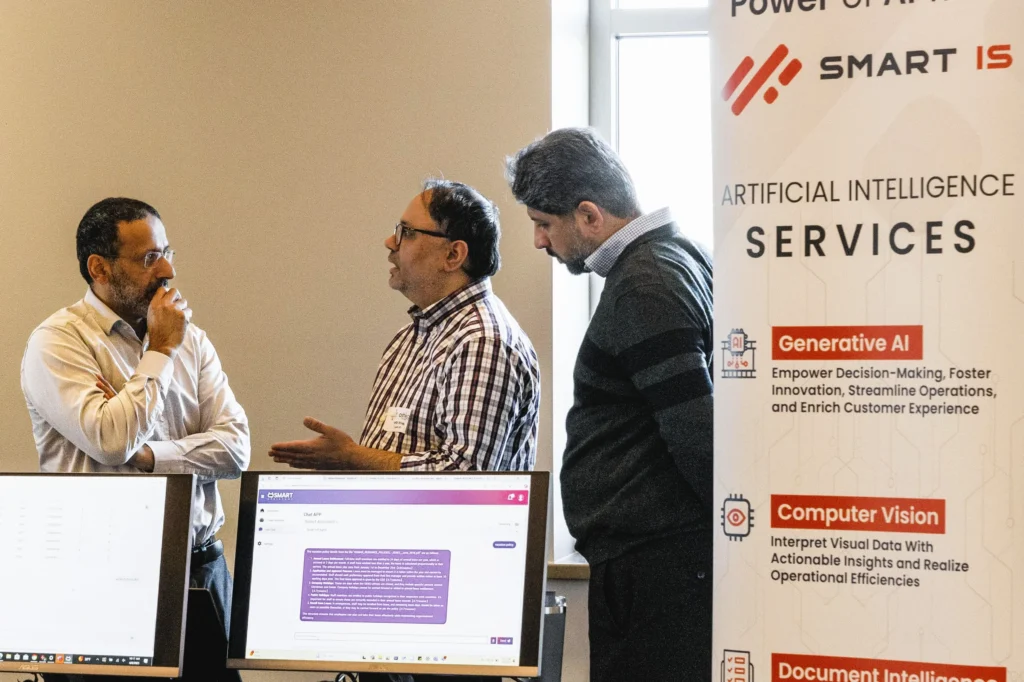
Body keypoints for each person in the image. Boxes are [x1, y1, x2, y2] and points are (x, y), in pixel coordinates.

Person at [506, 127, 714, 681]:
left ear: (589, 216)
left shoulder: (645, 284)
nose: (539, 243)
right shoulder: (674, 257)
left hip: (659, 574)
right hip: (659, 566)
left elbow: (699, 436)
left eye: (543, 225)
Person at [21, 197, 250, 657]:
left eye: (168, 252)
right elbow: (111, 440)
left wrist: (148, 457)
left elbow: (235, 449)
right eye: (149, 258)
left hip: (200, 572)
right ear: (99, 268)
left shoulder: (194, 340)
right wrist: (160, 350)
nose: (167, 270)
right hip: (101, 578)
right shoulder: (58, 342)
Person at [269, 179, 540, 477]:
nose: (390, 242)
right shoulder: (410, 337)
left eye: (407, 233)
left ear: (453, 255)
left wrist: (352, 458)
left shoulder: (483, 343)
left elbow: (464, 478)